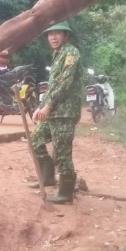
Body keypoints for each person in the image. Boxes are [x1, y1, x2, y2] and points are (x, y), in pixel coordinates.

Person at [29, 20, 83, 204]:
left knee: (62, 152)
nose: (53, 37)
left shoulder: (71, 53)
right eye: (50, 34)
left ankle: (66, 193)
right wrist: (40, 105)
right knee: (35, 139)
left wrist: (48, 105)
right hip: (52, 110)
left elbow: (65, 83)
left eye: (57, 33)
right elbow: (52, 86)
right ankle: (47, 177)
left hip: (65, 113)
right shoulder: (57, 54)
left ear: (66, 35)